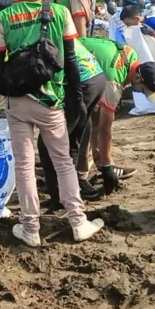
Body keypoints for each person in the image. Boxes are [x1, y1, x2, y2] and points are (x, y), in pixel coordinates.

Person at [0, 0, 105, 246]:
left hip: (17, 102)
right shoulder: (59, 13)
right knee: (62, 161)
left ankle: (30, 228)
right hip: (51, 99)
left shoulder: (4, 18)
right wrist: (76, 99)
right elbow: (71, 59)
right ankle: (77, 220)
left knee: (24, 165)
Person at [79, 36, 155, 193]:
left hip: (80, 55)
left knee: (94, 115)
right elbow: (105, 129)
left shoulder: (130, 54)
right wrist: (107, 168)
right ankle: (80, 178)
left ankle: (98, 162)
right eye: (143, 89)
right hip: (68, 62)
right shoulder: (115, 81)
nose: (141, 92)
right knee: (84, 125)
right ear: (138, 77)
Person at [37, 38, 106, 206]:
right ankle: (72, 187)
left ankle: (58, 197)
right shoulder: (56, 26)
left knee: (48, 142)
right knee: (73, 138)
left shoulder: (36, 35)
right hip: (96, 77)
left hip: (81, 82)